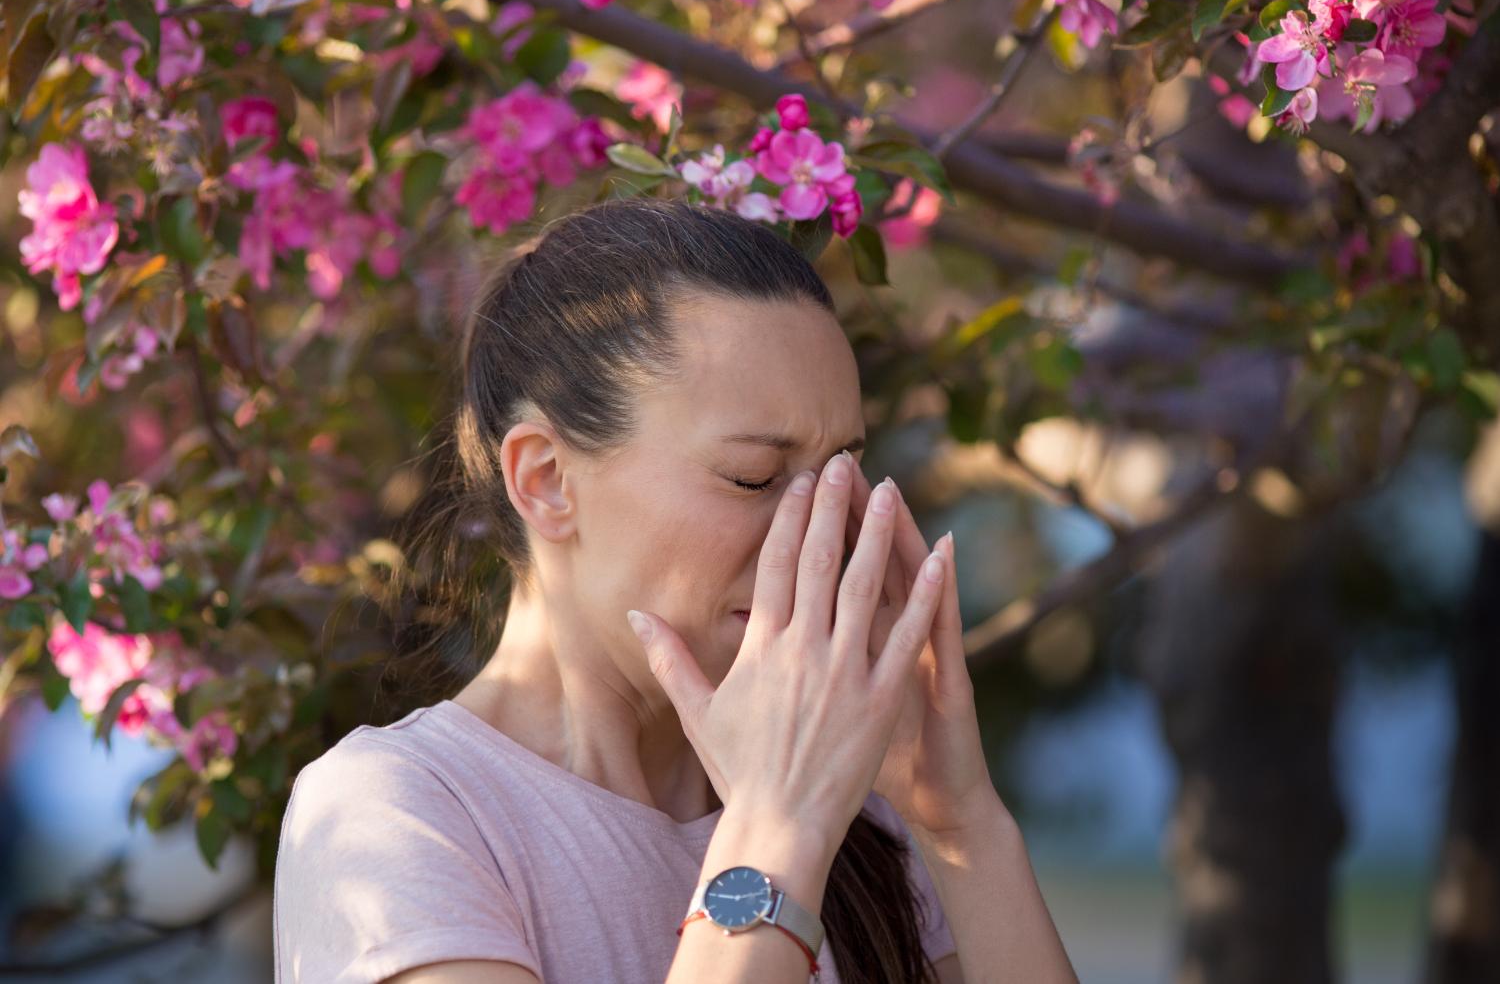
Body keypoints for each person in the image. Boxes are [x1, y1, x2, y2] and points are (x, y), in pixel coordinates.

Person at [272, 198, 1076, 983]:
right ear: (546, 480)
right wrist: (776, 832)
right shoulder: (395, 812)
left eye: (841, 475)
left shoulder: (856, 810)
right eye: (754, 476)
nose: (821, 536)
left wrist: (959, 823)